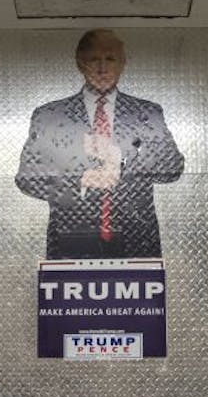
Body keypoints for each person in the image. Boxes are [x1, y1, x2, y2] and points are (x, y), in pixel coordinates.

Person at [15, 29, 184, 258]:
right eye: (94, 59)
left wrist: (120, 164)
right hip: (71, 239)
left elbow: (172, 166)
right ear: (80, 63)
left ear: (122, 64)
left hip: (137, 241)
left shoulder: (146, 113)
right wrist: (79, 180)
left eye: (110, 59)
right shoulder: (51, 115)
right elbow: (28, 177)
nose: (102, 68)